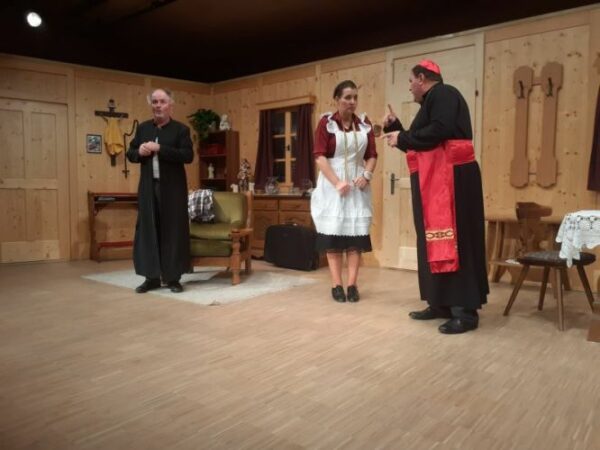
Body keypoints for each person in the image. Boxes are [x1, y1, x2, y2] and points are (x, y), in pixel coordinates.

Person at [383, 60, 488, 334]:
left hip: (452, 180)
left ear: (421, 78)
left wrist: (403, 137)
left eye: (410, 81)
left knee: (457, 240)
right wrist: (397, 129)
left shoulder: (444, 93)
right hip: (437, 180)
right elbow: (420, 141)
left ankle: (464, 312)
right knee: (432, 240)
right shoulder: (431, 102)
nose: (409, 87)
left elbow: (438, 131)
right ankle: (440, 303)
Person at [311, 80, 378, 303]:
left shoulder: (364, 124)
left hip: (358, 185)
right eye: (347, 97)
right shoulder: (327, 123)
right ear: (337, 99)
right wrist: (337, 182)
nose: (352, 102)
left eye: (355, 97)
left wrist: (366, 175)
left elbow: (372, 155)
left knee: (354, 237)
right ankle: (336, 284)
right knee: (334, 236)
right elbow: (320, 156)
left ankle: (352, 284)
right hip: (333, 184)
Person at [126, 88, 194, 294]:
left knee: (173, 231)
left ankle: (173, 278)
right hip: (149, 188)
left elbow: (187, 156)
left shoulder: (180, 130)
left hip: (173, 190)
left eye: (162, 101)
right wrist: (139, 151)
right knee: (149, 230)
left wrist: (160, 149)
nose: (158, 105)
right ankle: (152, 278)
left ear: (170, 104)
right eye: (154, 102)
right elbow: (130, 153)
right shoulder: (143, 129)